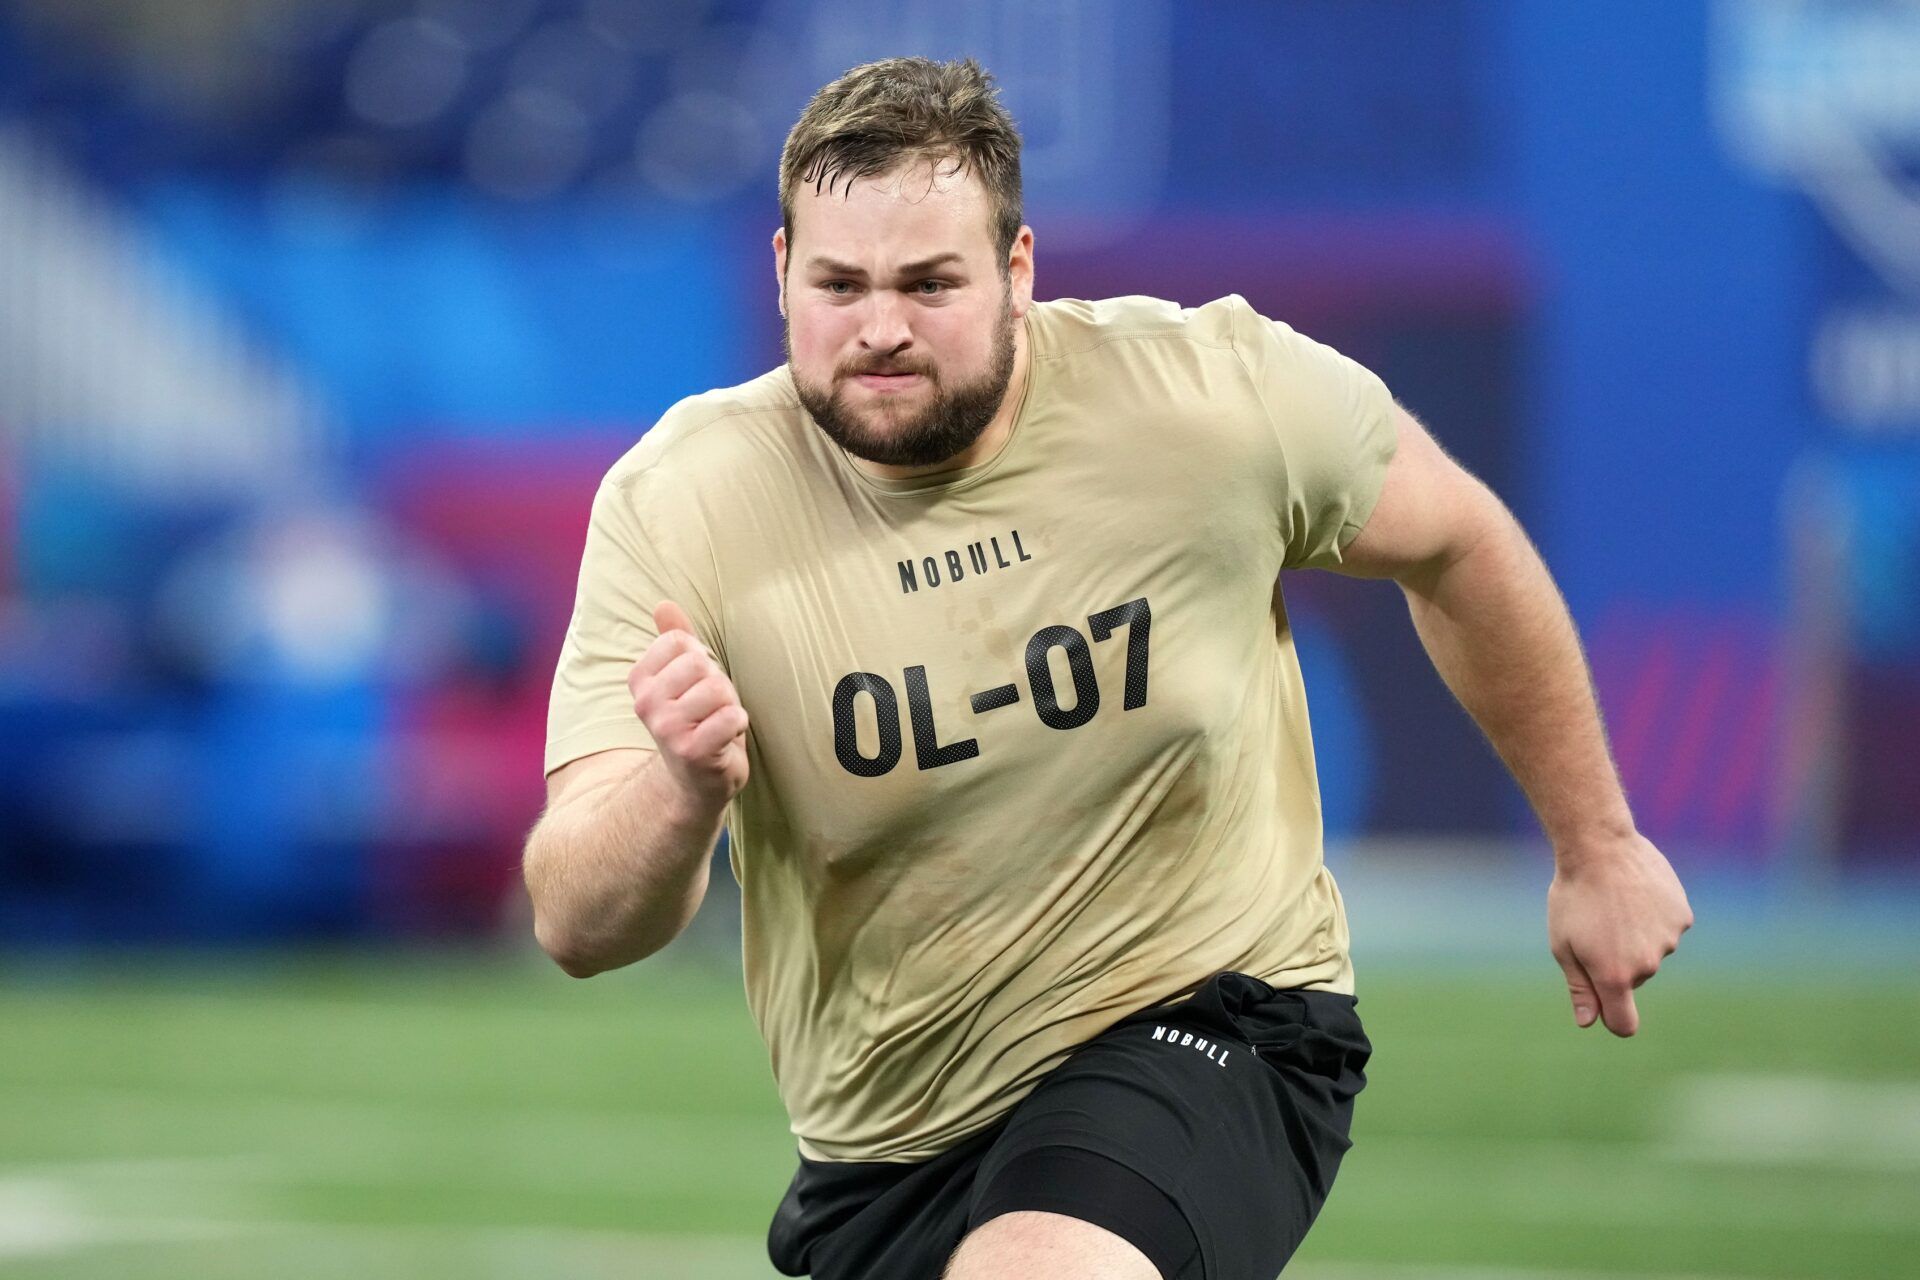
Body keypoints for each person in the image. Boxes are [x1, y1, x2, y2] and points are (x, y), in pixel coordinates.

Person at [523, 56, 1693, 1280]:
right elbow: (576, 919)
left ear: (1018, 271)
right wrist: (678, 793)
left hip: (1215, 1014)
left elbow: (1456, 540)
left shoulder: (1207, 398)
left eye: (930, 284)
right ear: (779, 272)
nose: (879, 328)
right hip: (885, 1148)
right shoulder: (684, 501)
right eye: (838, 285)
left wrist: (1596, 844)